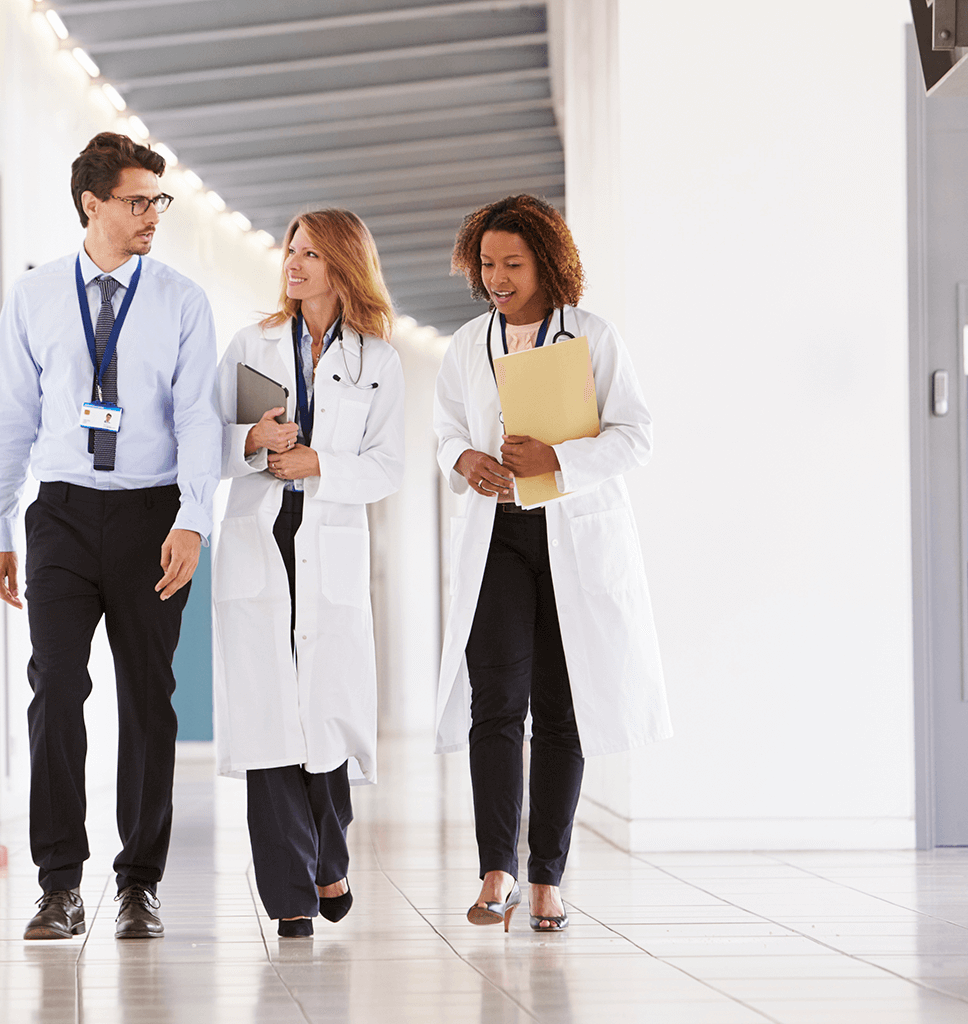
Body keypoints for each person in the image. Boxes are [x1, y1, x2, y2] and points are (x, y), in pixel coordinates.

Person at [0, 132, 220, 941]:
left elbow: (196, 419)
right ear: (93, 203)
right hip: (61, 518)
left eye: (160, 200)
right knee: (56, 690)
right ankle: (57, 885)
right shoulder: (38, 297)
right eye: (139, 200)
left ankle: (139, 883)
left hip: (152, 516)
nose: (154, 214)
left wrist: (193, 519)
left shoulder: (182, 301)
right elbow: (7, 413)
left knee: (150, 701)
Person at [433, 194, 670, 932]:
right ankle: (495, 872)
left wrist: (558, 460)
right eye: (487, 264)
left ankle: (548, 880)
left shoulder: (593, 337)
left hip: (571, 535)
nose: (497, 278)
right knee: (495, 704)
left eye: (512, 264)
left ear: (547, 262)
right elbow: (444, 428)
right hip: (496, 537)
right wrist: (462, 457)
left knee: (561, 709)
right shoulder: (469, 343)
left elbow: (637, 435)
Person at [212, 209, 404, 938]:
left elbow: (387, 466)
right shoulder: (251, 344)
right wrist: (254, 442)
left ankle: (328, 855)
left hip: (327, 541)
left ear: (344, 267)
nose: (295, 264)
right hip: (261, 539)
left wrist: (321, 462)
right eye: (291, 251)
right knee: (270, 723)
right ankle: (291, 897)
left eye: (313, 254)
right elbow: (210, 447)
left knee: (321, 716)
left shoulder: (376, 359)